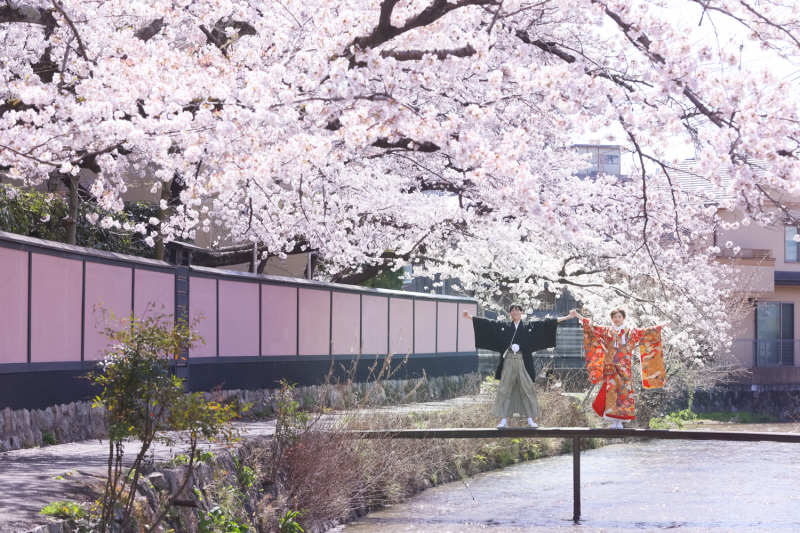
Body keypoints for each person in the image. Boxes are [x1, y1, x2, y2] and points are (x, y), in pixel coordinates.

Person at [462, 304, 574, 428]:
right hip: (508, 360)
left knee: (527, 388)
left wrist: (567, 317)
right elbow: (488, 324)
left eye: (517, 310)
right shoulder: (504, 326)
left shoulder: (529, 326)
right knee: (504, 389)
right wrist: (469, 317)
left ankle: (530, 420)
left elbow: (546, 324)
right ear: (510, 313)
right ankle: (503, 421)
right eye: (512, 311)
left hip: (523, 361)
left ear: (522, 312)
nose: (515, 312)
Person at [571, 308, 668, 428]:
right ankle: (613, 421)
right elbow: (591, 325)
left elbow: (645, 332)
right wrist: (577, 315)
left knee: (624, 393)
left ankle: (620, 421)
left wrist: (659, 326)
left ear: (623, 318)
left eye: (619, 317)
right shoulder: (607, 331)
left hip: (624, 368)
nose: (617, 319)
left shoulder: (630, 332)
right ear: (612, 319)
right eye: (615, 317)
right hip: (611, 367)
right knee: (611, 393)